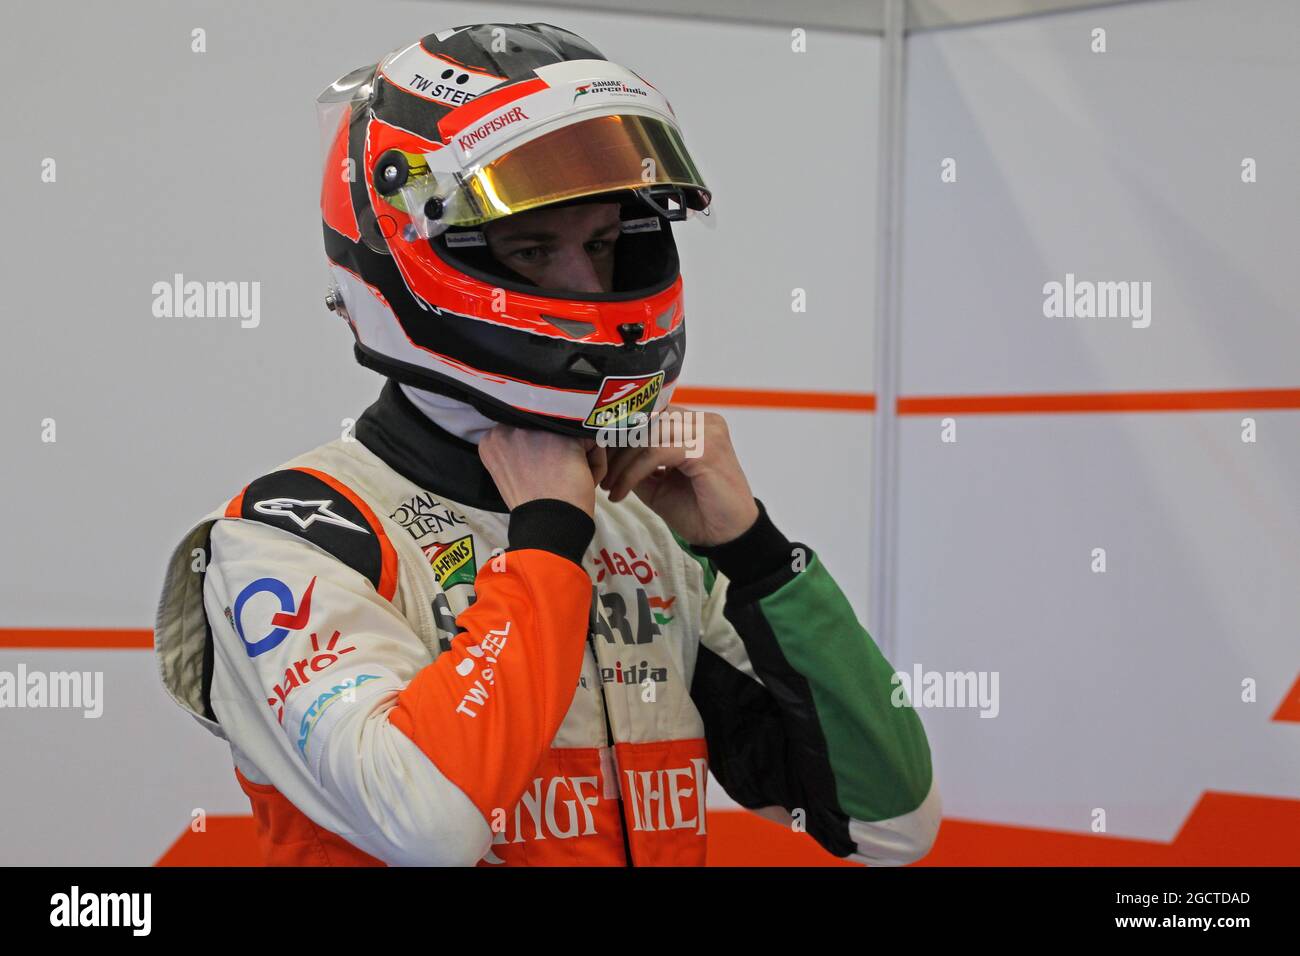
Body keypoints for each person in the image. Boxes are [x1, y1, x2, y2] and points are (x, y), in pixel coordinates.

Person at [154, 22, 940, 866]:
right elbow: (428, 823)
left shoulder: (643, 529)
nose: (587, 287)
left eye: (602, 244)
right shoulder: (294, 537)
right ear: (405, 258)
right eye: (533, 251)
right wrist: (547, 548)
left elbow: (889, 822)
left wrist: (754, 553)